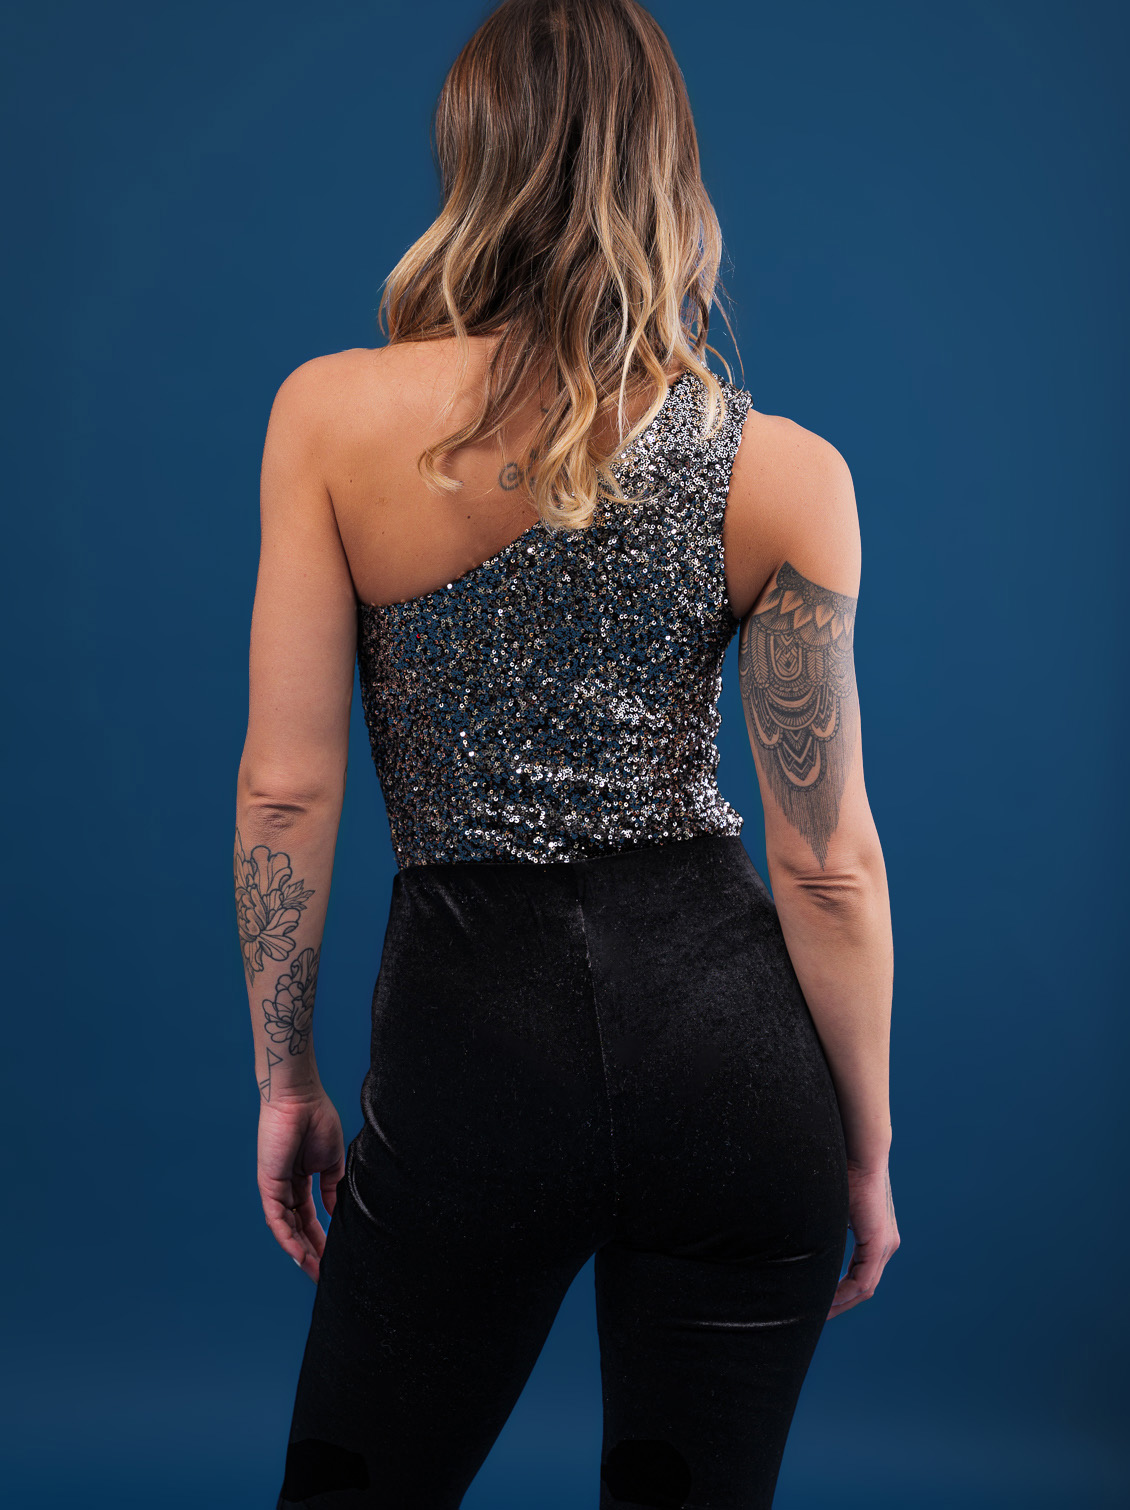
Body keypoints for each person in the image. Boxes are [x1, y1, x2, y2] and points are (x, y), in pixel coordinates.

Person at [233, 1, 898, 1504]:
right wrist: (859, 1146)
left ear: (472, 155)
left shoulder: (330, 418)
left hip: (472, 1058)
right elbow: (828, 863)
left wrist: (286, 1076)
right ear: (668, 169)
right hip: (734, 1066)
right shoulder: (787, 471)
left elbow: (285, 790)